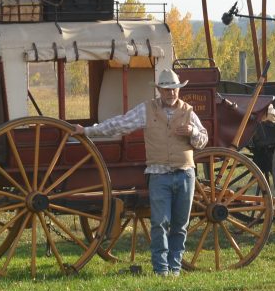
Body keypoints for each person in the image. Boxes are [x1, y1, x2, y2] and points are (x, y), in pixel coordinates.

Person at [72, 68, 208, 276]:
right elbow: (120, 124)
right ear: (159, 90)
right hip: (159, 174)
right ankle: (161, 269)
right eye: (167, 89)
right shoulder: (147, 110)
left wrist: (193, 132)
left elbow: (203, 141)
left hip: (185, 174)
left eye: (174, 89)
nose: (171, 93)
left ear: (179, 90)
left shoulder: (188, 112)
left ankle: (175, 268)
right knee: (159, 223)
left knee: (180, 225)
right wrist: (89, 131)